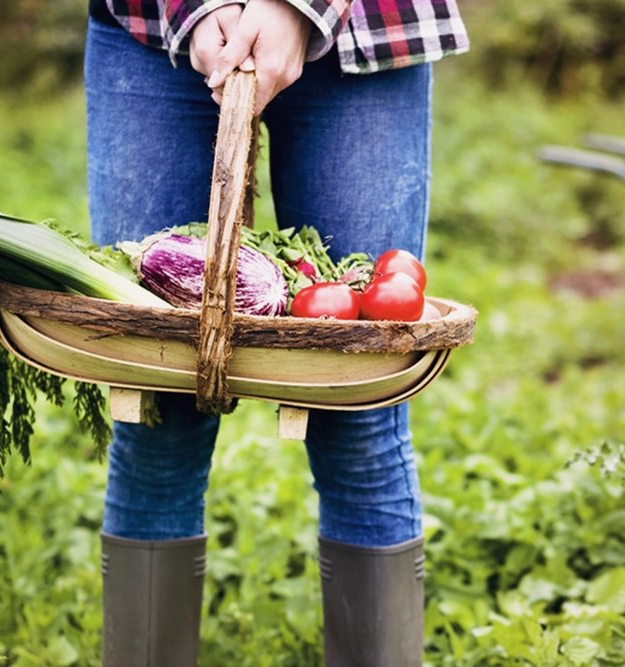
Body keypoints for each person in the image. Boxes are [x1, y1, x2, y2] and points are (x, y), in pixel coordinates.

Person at [85, 0, 467, 664]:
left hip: (364, 27)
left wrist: (297, 7)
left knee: (359, 403)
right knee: (154, 401)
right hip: (153, 29)